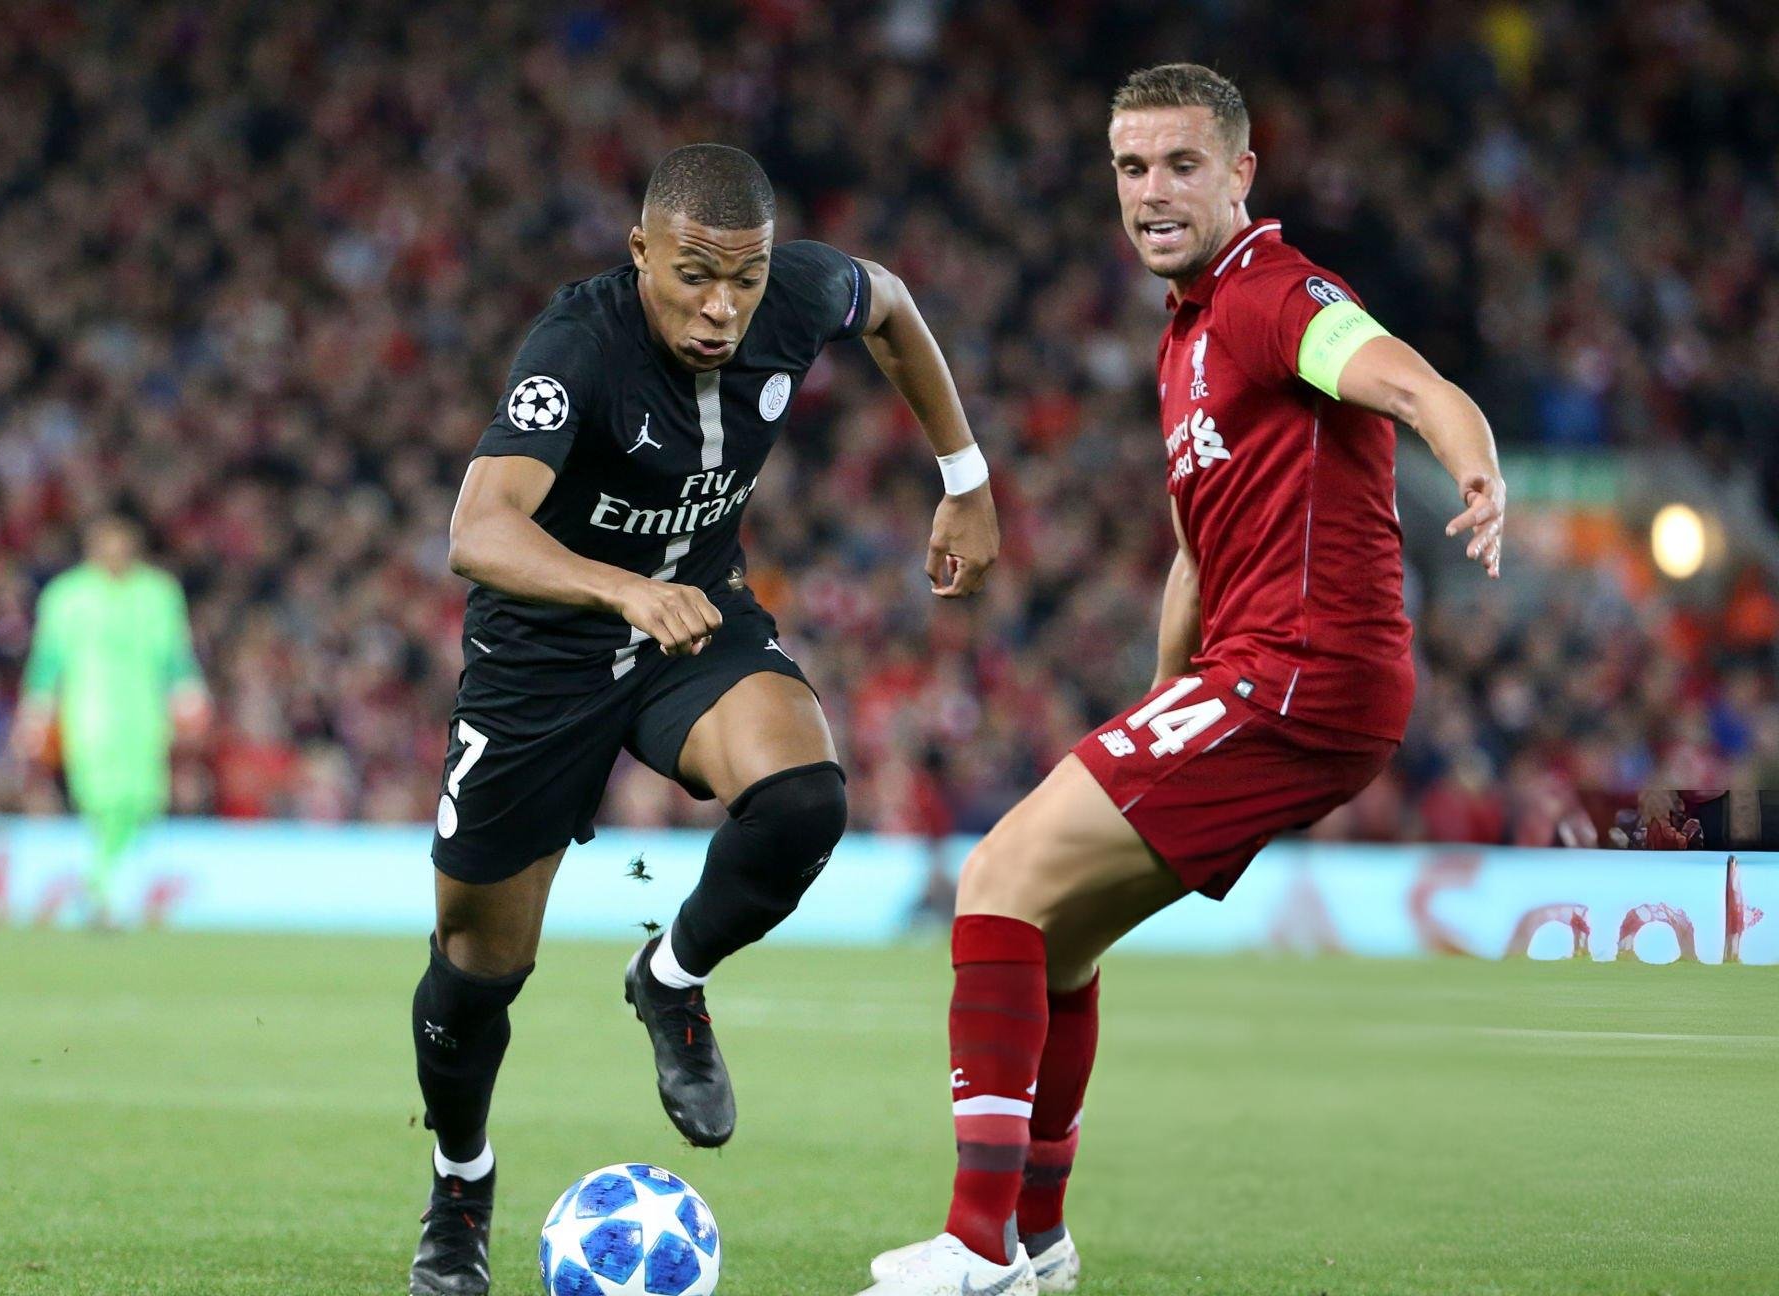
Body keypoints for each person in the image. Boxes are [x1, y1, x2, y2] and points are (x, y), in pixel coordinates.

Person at [860, 64, 1506, 1296]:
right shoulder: (1184, 336)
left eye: (1179, 165)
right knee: (1056, 934)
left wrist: (1470, 464)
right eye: (1129, 168)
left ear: (1238, 173)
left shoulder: (1275, 296)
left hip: (1300, 674)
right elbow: (1195, 556)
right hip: (1258, 674)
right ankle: (1036, 1241)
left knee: (993, 878)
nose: (1150, 192)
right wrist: (1156, 707)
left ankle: (972, 1244)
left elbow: (1411, 383)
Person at [410, 142, 999, 1295]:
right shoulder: (577, 347)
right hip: (542, 655)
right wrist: (621, 590)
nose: (722, 308)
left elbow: (889, 303)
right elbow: (475, 532)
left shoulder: (798, 294)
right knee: (480, 962)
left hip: (695, 620)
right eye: (693, 277)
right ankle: (460, 1181)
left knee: (802, 800)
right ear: (639, 252)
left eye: (744, 278)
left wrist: (965, 478)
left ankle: (670, 976)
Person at [15, 513, 206, 927]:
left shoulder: (158, 593)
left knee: (141, 802)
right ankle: (102, 888)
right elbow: (47, 659)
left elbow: (176, 653)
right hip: (90, 715)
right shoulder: (67, 595)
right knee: (102, 801)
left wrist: (190, 695)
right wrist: (35, 711)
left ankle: (103, 886)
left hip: (144, 716)